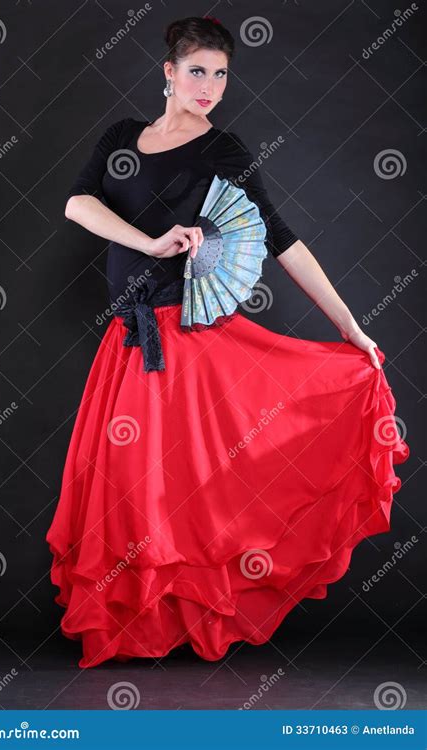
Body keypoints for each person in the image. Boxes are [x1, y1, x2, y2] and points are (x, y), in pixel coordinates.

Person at [45, 16, 409, 668]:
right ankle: (133, 628)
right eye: (196, 71)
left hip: (185, 341)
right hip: (127, 343)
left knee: (181, 492)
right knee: (130, 490)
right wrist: (150, 242)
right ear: (168, 72)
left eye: (219, 74)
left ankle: (181, 624)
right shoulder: (123, 139)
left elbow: (284, 239)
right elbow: (78, 205)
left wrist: (350, 325)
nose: (209, 85)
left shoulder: (225, 150)